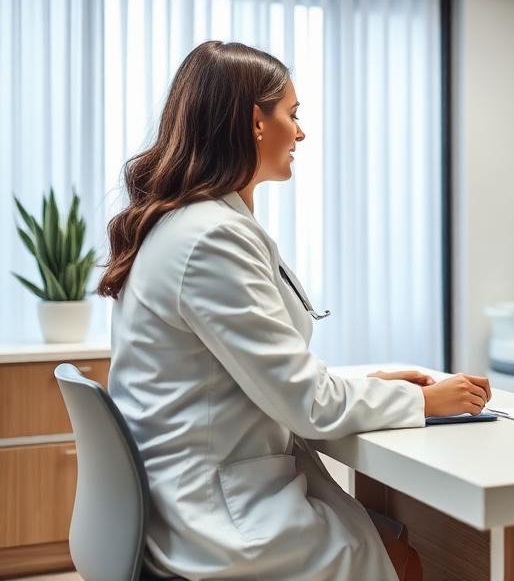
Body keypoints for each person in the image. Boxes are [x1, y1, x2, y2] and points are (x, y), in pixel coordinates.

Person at [98, 40, 491, 581]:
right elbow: (307, 403)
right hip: (216, 515)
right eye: (292, 114)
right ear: (255, 122)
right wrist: (421, 401)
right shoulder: (212, 237)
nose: (301, 132)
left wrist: (376, 386)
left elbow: (250, 373)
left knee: (391, 538)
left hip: (192, 489)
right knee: (405, 558)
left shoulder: (196, 224)